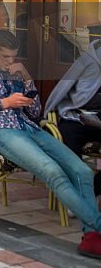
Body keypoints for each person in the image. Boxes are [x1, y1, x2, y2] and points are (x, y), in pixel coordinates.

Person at [0, 30, 101, 259]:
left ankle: (91, 238)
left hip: (29, 128)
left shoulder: (15, 74)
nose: (10, 62)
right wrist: (5, 102)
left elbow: (35, 113)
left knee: (82, 170)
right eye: (5, 57)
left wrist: (26, 79)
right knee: (53, 172)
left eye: (14, 57)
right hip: (1, 132)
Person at [44, 41, 101, 196]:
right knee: (68, 136)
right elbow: (69, 92)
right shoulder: (87, 62)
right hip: (77, 115)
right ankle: (74, 190)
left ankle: (91, 189)